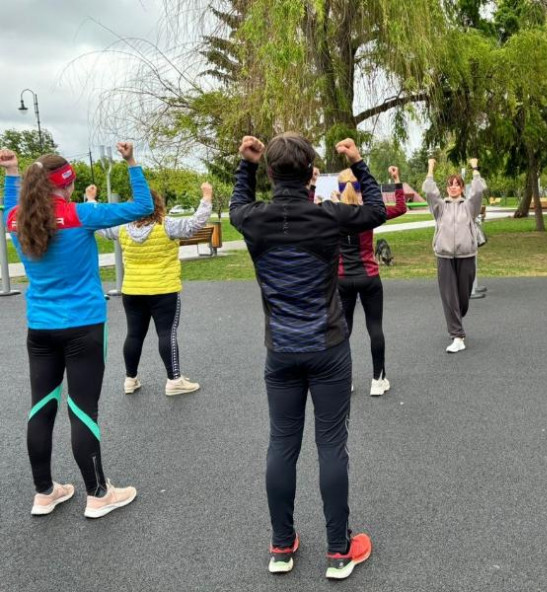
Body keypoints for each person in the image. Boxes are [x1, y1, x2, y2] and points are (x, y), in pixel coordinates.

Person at [229, 133, 385, 578]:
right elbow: (375, 211)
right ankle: (339, 551)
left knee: (282, 444)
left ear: (273, 173)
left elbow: (237, 203)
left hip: (281, 350)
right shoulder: (327, 217)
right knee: (331, 445)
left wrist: (247, 165)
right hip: (327, 346)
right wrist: (359, 163)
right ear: (311, 171)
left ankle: (282, 546)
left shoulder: (253, 220)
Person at [2, 142, 153, 519]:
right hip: (83, 325)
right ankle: (98, 494)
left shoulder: (16, 218)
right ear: (66, 185)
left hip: (40, 328)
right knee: (82, 409)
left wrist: (10, 172)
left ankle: (44, 493)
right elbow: (143, 207)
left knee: (41, 406)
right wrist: (131, 162)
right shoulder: (81, 214)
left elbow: (9, 205)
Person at [96, 183, 214, 396]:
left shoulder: (122, 227)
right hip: (163, 289)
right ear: (157, 204)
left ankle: (130, 379)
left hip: (132, 290)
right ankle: (174, 380)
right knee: (166, 333)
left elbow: (101, 226)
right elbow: (195, 223)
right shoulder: (167, 225)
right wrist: (206, 198)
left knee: (134, 334)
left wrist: (91, 201)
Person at [336, 164, 406, 395]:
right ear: (360, 189)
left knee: (344, 331)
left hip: (343, 278)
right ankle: (378, 380)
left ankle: (346, 380)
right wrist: (396, 181)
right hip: (368, 277)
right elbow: (400, 208)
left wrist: (312, 184)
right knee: (374, 327)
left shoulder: (331, 213)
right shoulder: (369, 212)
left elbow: (303, 211)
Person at [423, 157, 487, 353]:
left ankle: (457, 317)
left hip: (466, 256)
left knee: (462, 299)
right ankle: (457, 336)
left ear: (461, 187)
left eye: (457, 184)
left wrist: (475, 168)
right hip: (444, 257)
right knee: (449, 297)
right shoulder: (440, 208)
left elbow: (478, 191)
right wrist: (430, 168)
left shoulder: (469, 207)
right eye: (450, 185)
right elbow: (428, 191)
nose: (453, 187)